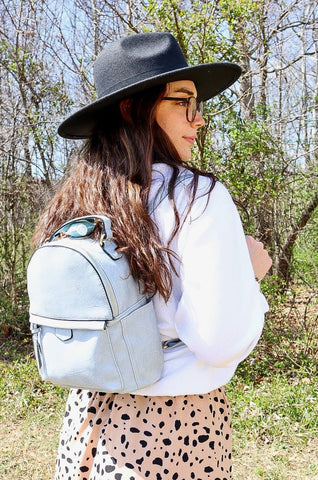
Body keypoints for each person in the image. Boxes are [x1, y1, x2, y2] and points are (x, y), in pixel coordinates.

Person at [33, 32, 272, 480]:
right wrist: (250, 277)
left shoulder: (78, 202)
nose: (198, 119)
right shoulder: (195, 196)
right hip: (173, 430)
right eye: (183, 102)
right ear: (133, 108)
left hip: (87, 424)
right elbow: (219, 341)